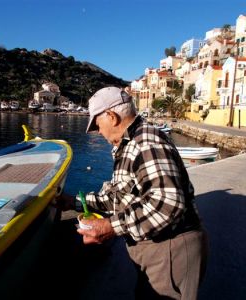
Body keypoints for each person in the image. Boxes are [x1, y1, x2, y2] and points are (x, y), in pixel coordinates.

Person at [58, 86, 208, 299]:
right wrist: (75, 203)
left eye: (97, 125)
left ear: (112, 116)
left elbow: (169, 203)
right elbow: (120, 196)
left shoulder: (146, 141)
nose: (98, 132)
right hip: (156, 248)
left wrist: (111, 226)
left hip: (170, 248)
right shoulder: (130, 144)